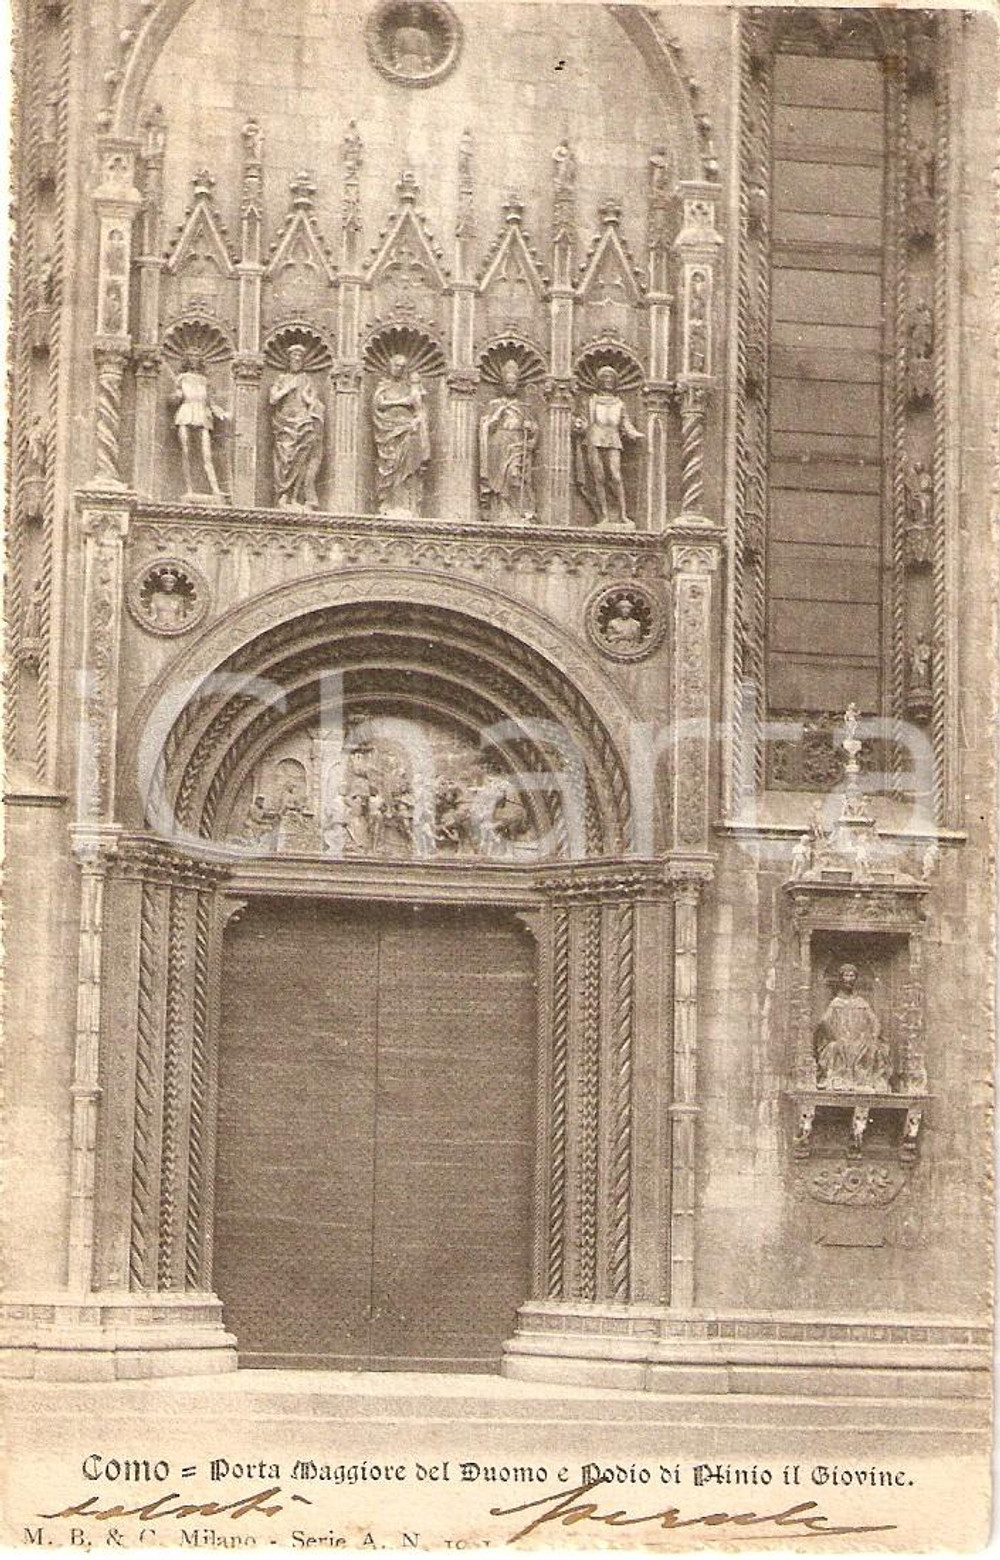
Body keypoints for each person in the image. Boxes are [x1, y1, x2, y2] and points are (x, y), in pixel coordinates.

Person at [574, 366, 643, 528]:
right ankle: (604, 515)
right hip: (595, 438)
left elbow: (625, 423)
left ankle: (623, 514)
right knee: (599, 477)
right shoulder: (592, 401)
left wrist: (633, 433)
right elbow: (584, 421)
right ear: (599, 381)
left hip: (613, 438)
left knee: (616, 476)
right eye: (604, 378)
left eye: (611, 378)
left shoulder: (619, 403)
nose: (608, 381)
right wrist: (579, 425)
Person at [814, 963, 892, 1093]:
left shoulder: (861, 1002)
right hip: (841, 1039)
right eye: (846, 975)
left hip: (859, 1040)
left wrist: (873, 1036)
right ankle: (839, 1079)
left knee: (872, 1047)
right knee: (835, 1047)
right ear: (841, 978)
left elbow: (875, 1022)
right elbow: (824, 1021)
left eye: (852, 976)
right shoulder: (836, 1002)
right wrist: (835, 1036)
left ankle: (865, 1081)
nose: (849, 979)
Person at [478, 360, 538, 523]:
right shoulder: (494, 404)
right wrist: (497, 414)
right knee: (498, 480)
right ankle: (501, 512)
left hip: (517, 443)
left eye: (513, 383)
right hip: (498, 444)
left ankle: (521, 511)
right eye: (507, 383)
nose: (510, 386)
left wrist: (531, 428)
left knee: (514, 475)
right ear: (502, 384)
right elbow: (486, 427)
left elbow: (534, 429)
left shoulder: (523, 406)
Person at [372, 355, 430, 517]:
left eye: (403, 366)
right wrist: (403, 402)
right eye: (397, 365)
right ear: (390, 366)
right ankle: (388, 503)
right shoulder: (383, 387)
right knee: (390, 465)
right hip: (388, 431)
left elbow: (420, 411)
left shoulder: (409, 388)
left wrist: (417, 422)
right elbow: (378, 405)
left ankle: (407, 504)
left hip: (408, 431)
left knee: (408, 468)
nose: (399, 369)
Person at [269, 344, 325, 509]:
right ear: (289, 360)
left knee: (301, 460)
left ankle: (295, 497)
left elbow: (312, 400)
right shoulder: (281, 379)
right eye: (294, 358)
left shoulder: (306, 379)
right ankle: (283, 495)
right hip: (284, 422)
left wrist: (309, 399)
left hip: (303, 422)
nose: (297, 360)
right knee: (286, 458)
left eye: (300, 358)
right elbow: (272, 399)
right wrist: (287, 388)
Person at [170, 355, 228, 498]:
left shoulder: (204, 381)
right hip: (186, 412)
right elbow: (175, 398)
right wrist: (175, 397)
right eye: (191, 358)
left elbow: (210, 402)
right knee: (186, 451)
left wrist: (221, 413)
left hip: (202, 414)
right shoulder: (181, 378)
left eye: (196, 358)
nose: (194, 360)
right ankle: (189, 489)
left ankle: (215, 489)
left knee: (206, 454)